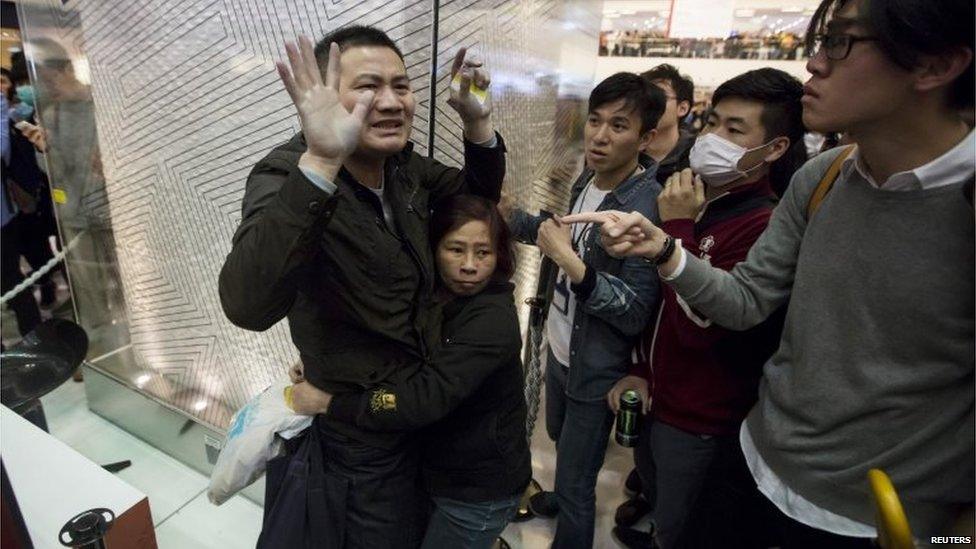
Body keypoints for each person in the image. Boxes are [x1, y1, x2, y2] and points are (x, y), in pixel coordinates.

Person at [564, 0, 974, 545]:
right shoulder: (823, 179)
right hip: (752, 464)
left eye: (842, 43)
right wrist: (666, 248)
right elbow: (745, 299)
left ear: (934, 65)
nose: (815, 65)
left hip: (877, 518)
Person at [218, 26, 506, 548]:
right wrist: (322, 161)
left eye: (402, 85)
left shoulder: (401, 168)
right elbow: (247, 304)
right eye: (369, 87)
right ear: (326, 96)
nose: (392, 102)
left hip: (416, 409)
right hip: (360, 440)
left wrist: (478, 123)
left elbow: (476, 210)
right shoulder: (287, 175)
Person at [610, 68, 804, 549]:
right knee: (658, 494)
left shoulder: (763, 225)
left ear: (775, 148)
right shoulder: (700, 200)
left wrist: (676, 232)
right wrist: (639, 369)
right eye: (712, 121)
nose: (713, 138)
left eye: (734, 130)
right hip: (659, 395)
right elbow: (656, 304)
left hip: (699, 418)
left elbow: (705, 324)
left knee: (683, 524)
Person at [287, 194, 531, 549]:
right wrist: (324, 364)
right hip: (435, 472)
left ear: (499, 256)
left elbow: (421, 399)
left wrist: (329, 401)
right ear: (432, 249)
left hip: (476, 493)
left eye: (483, 253)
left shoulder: (492, 321)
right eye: (455, 249)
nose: (469, 266)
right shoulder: (433, 294)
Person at [503, 72, 665, 549]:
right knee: (558, 436)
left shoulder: (644, 208)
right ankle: (560, 495)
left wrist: (570, 262)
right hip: (561, 344)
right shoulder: (588, 181)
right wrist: (511, 217)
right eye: (595, 121)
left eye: (618, 126)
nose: (599, 135)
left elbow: (634, 310)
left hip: (597, 364)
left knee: (577, 476)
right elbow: (560, 237)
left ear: (646, 137)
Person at [640, 64, 696, 185]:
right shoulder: (625, 151)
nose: (648, 103)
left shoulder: (694, 161)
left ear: (682, 108)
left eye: (659, 96)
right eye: (642, 97)